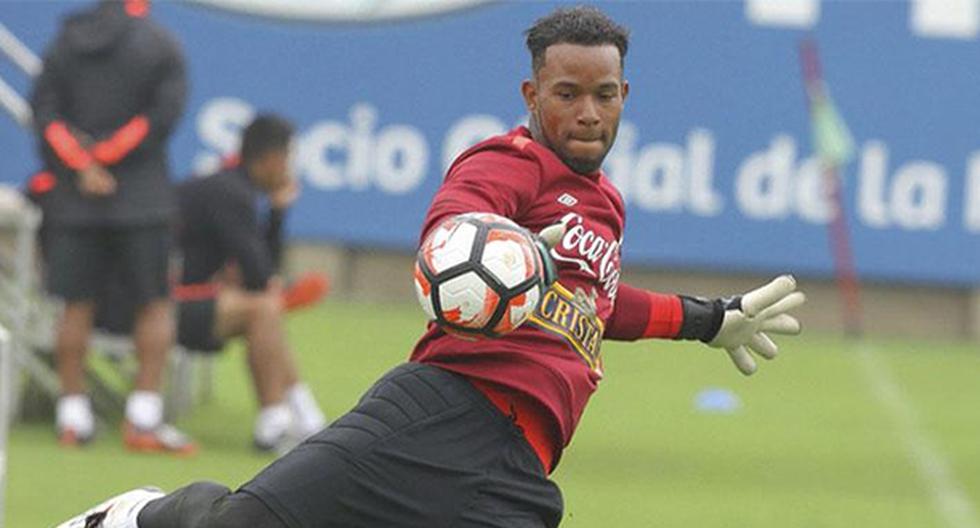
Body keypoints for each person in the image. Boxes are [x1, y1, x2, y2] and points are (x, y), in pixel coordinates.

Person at [58, 6, 806, 528]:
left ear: (624, 97)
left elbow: (600, 307)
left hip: (520, 467)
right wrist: (478, 242)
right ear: (532, 95)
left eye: (603, 95)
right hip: (438, 409)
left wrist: (711, 319)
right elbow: (457, 227)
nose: (587, 111)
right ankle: (134, 514)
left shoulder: (604, 202)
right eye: (567, 93)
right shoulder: (509, 163)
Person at [30, 0, 194, 453]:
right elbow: (162, 116)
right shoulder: (161, 43)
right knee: (154, 305)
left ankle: (73, 416)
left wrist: (83, 163)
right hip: (141, 200)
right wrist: (107, 157)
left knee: (74, 308)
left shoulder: (64, 40)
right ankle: (143, 419)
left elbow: (44, 112)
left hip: (76, 197)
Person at [172, 115, 327, 451]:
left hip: (183, 300)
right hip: (161, 307)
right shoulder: (229, 193)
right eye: (288, 158)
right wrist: (278, 214)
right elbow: (259, 273)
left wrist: (277, 211)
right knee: (263, 310)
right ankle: (276, 424)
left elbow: (259, 268)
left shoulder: (230, 187)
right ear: (272, 158)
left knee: (264, 308)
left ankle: (305, 420)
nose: (289, 167)